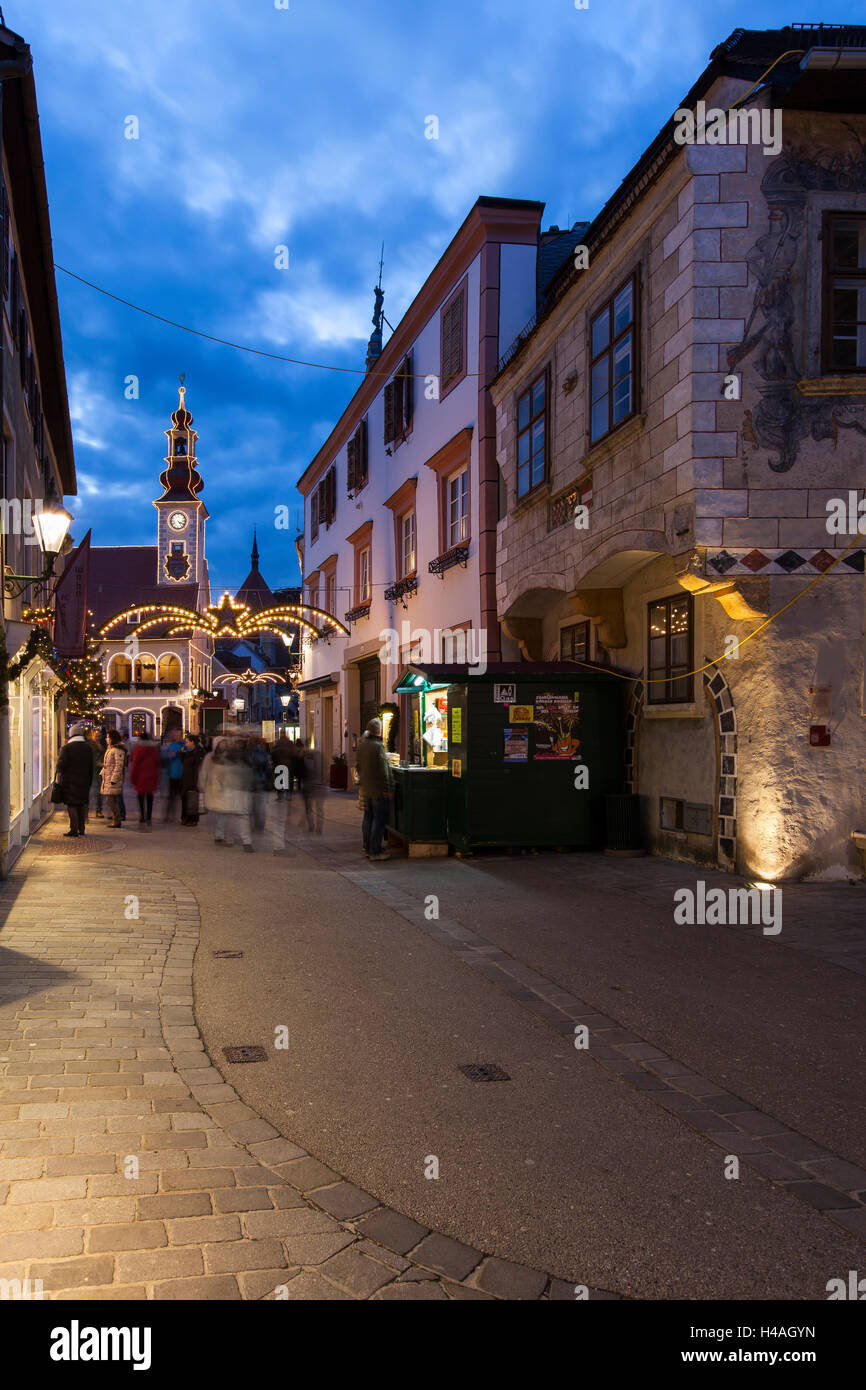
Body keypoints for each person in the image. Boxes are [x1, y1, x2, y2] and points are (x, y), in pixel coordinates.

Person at [201, 737, 254, 851]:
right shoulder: (211, 758)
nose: (224, 746)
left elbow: (242, 772)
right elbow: (205, 773)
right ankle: (221, 836)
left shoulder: (234, 757)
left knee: (239, 815)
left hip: (234, 792)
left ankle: (246, 841)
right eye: (221, 744)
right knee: (222, 815)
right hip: (221, 793)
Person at [355, 717, 393, 860]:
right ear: (379, 730)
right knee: (379, 819)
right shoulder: (378, 746)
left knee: (368, 817)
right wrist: (388, 788)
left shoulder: (362, 746)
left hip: (366, 788)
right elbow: (384, 770)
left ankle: (367, 847)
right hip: (378, 789)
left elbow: (357, 766)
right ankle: (375, 851)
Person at [56, 724, 95, 837]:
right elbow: (90, 767)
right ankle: (81, 828)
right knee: (81, 804)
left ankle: (73, 829)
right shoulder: (88, 748)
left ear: (71, 734)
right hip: (84, 780)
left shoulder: (67, 748)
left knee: (72, 804)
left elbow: (61, 765)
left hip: (70, 781)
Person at [130, 730, 160, 830]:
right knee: (150, 798)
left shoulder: (138, 749)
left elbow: (135, 764)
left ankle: (142, 817)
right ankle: (149, 818)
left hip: (141, 777)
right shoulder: (154, 749)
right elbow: (157, 764)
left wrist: (132, 778)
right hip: (151, 777)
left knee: (141, 798)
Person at [100, 729, 126, 828]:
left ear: (112, 738)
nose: (106, 739)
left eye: (108, 737)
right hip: (108, 777)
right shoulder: (111, 749)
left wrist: (114, 779)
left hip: (112, 779)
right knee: (111, 800)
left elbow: (119, 766)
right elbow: (110, 764)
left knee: (111, 800)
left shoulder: (117, 750)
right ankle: (116, 819)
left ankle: (117, 820)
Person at [180, 733, 205, 825]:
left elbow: (197, 769)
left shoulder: (198, 753)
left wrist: (195, 783)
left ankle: (192, 819)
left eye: (187, 742)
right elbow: (184, 763)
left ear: (192, 742)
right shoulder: (189, 752)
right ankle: (185, 818)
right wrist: (182, 754)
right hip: (186, 780)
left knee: (192, 800)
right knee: (185, 799)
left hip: (192, 781)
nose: (185, 744)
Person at [163, 730, 184, 821]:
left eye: (179, 735)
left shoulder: (185, 745)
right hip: (173, 774)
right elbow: (169, 756)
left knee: (183, 798)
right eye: (176, 735)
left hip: (183, 775)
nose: (178, 737)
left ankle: (183, 816)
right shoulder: (172, 745)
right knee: (171, 797)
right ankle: (168, 815)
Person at [271, 732, 293, 800]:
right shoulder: (290, 743)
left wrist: (274, 762)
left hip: (278, 763)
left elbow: (273, 753)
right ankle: (288, 795)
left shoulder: (277, 743)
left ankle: (280, 796)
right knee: (288, 779)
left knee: (279, 780)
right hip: (288, 764)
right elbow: (294, 753)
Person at [90, 729, 106, 818]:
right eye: (96, 736)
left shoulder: (102, 745)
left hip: (99, 771)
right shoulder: (90, 745)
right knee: (94, 791)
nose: (98, 738)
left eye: (99, 736)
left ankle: (98, 810)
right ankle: (93, 809)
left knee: (99, 792)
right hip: (92, 771)